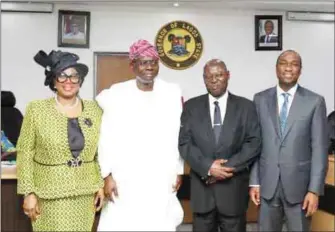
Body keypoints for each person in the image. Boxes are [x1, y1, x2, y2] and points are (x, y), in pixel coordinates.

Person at [96, 39, 184, 231]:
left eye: (153, 62)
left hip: (159, 174)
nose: (149, 67)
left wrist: (178, 169)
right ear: (133, 65)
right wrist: (107, 175)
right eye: (144, 62)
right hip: (126, 176)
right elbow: (106, 137)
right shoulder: (117, 94)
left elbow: (176, 134)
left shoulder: (171, 93)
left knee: (159, 222)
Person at [16, 50, 104, 231]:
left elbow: (99, 152)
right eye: (62, 76)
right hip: (48, 194)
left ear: (80, 81)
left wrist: (99, 185)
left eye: (74, 77)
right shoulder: (37, 109)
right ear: (53, 81)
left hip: (85, 194)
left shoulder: (95, 110)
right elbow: (25, 152)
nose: (68, 82)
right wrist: (28, 192)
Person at [249, 50, 328, 231]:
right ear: (276, 68)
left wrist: (314, 190)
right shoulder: (259, 100)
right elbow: (255, 145)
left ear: (300, 70)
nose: (288, 68)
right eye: (284, 63)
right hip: (268, 186)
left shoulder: (315, 101)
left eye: (294, 64)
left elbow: (319, 149)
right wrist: (255, 182)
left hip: (300, 188)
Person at [179, 59, 261, 232]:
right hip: (203, 193)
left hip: (233, 193)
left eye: (219, 75)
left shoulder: (246, 107)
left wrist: (225, 168)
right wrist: (208, 167)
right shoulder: (191, 107)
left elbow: (253, 143)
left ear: (228, 76)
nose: (214, 80)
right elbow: (185, 143)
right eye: (209, 76)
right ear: (204, 79)